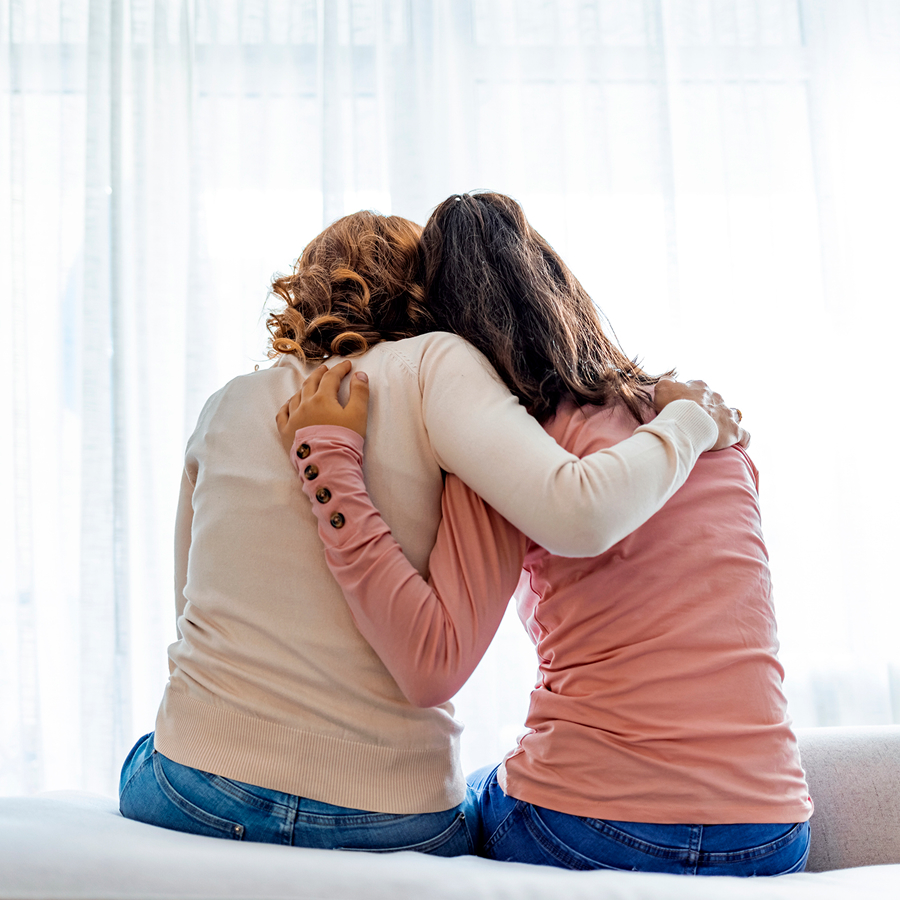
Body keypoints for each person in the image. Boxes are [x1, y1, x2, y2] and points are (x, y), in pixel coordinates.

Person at [118, 209, 745, 854]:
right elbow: (572, 510)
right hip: (391, 812)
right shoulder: (440, 366)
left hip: (197, 786)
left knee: (149, 748)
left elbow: (190, 612)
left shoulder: (226, 402)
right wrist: (688, 421)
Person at [276, 192, 811, 874]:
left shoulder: (509, 452)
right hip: (771, 828)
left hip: (593, 824)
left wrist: (331, 471)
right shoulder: (710, 429)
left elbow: (430, 663)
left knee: (453, 805)